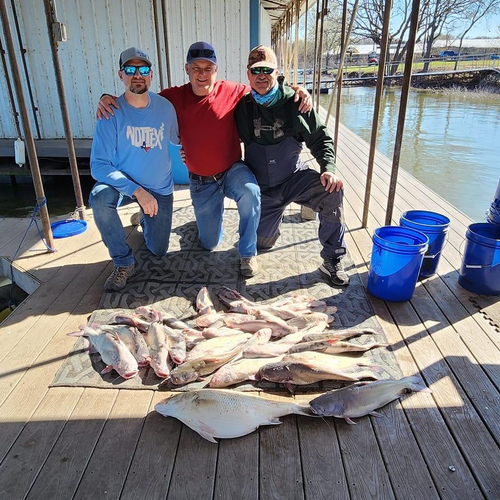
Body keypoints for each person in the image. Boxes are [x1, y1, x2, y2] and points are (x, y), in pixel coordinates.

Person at [97, 42, 311, 278]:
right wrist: (106, 97)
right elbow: (138, 97)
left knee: (251, 192)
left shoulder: (233, 91)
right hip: (201, 182)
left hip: (232, 170)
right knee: (209, 243)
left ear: (216, 70)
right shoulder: (171, 98)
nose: (202, 74)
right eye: (196, 68)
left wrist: (296, 89)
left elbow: (265, 88)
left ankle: (248, 253)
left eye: (208, 68)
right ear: (186, 70)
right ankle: (184, 223)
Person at [234, 46, 350, 286]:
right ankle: (282, 218)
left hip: (293, 178)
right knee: (263, 243)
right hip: (263, 189)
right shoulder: (241, 108)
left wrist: (328, 167)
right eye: (256, 71)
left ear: (277, 72)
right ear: (248, 74)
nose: (262, 76)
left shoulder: (297, 103)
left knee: (332, 190)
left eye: (267, 70)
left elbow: (321, 138)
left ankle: (333, 259)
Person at [90, 47, 179, 291]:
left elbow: (179, 139)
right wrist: (137, 191)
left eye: (143, 69)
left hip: (159, 186)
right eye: (130, 69)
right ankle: (123, 262)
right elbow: (98, 166)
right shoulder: (110, 111)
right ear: (121, 75)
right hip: (123, 183)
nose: (137, 74)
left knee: (158, 250)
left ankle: (142, 218)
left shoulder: (165, 107)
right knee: (98, 198)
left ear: (151, 75)